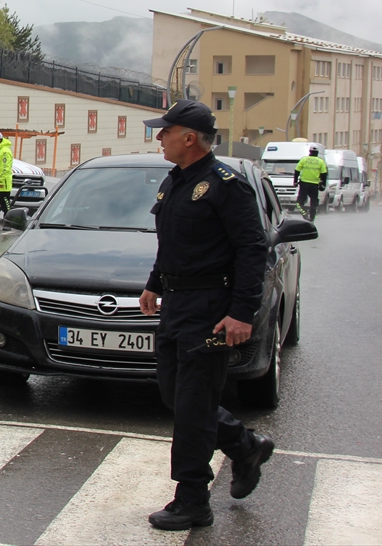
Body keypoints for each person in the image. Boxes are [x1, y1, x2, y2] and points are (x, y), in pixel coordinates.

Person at [137, 99, 274, 531]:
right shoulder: (176, 181)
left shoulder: (225, 185)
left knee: (194, 404)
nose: (159, 137)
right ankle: (244, 444)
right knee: (174, 395)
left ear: (189, 138)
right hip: (178, 305)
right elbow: (173, 243)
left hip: (212, 309)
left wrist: (242, 313)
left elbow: (252, 250)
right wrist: (155, 282)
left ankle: (193, 499)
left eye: (165, 131)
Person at [294, 146, 328, 221]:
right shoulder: (320, 161)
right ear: (317, 153)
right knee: (314, 202)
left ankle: (304, 212)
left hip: (304, 184)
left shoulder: (304, 159)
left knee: (299, 203)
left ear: (310, 152)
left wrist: (295, 181)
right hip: (314, 185)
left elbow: (297, 171)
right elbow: (324, 174)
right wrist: (323, 184)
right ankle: (312, 217)